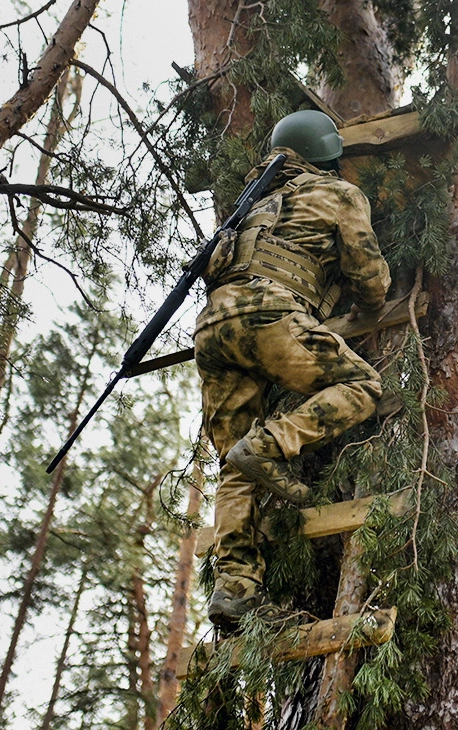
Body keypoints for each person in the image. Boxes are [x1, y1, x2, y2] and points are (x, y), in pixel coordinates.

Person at [194, 110, 391, 628]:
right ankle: (268, 446)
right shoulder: (339, 194)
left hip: (212, 329)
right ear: (328, 152)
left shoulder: (253, 205)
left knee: (232, 469)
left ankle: (235, 589)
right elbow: (371, 280)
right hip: (271, 316)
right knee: (362, 386)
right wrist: (365, 301)